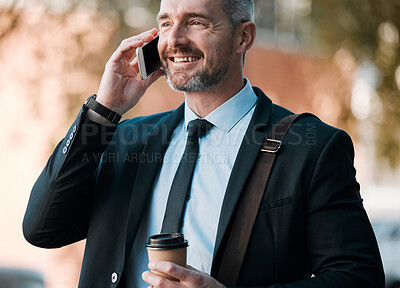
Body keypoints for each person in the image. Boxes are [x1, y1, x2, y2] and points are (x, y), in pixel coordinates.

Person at [23, 0, 385, 287]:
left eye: (196, 22)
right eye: (165, 23)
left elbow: (358, 278)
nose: (174, 39)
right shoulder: (126, 140)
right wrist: (103, 112)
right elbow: (43, 228)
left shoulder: (312, 148)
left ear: (243, 37)